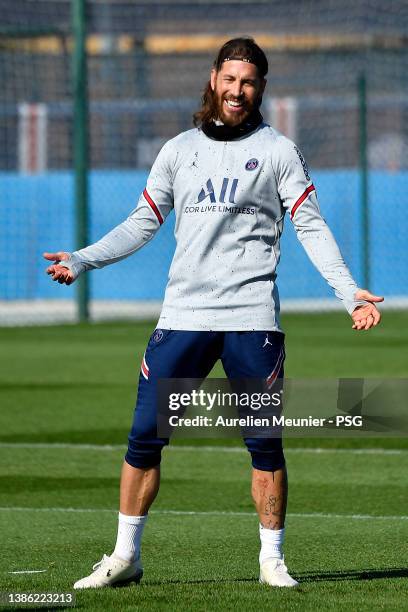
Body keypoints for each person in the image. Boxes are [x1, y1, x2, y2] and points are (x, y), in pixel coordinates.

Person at [44, 37, 383, 589]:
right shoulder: (178, 149)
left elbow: (310, 226)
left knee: (264, 445)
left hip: (252, 321)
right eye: (230, 79)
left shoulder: (279, 151)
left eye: (248, 82)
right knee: (143, 439)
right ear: (213, 79)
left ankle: (272, 560)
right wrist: (82, 259)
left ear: (261, 89)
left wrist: (348, 292)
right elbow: (142, 222)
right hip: (183, 317)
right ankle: (124, 556)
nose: (237, 91)